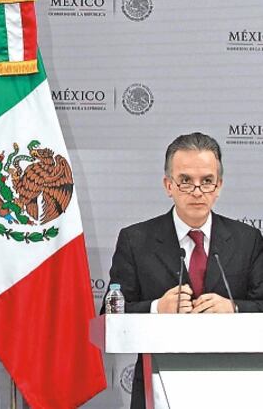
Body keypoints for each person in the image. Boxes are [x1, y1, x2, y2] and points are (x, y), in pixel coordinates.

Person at [108, 132, 263, 408]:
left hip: (233, 387)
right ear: (168, 185)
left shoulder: (247, 239)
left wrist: (235, 309)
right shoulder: (136, 240)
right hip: (157, 388)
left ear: (219, 186)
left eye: (206, 181)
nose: (197, 191)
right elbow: (108, 319)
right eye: (185, 181)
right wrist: (157, 308)